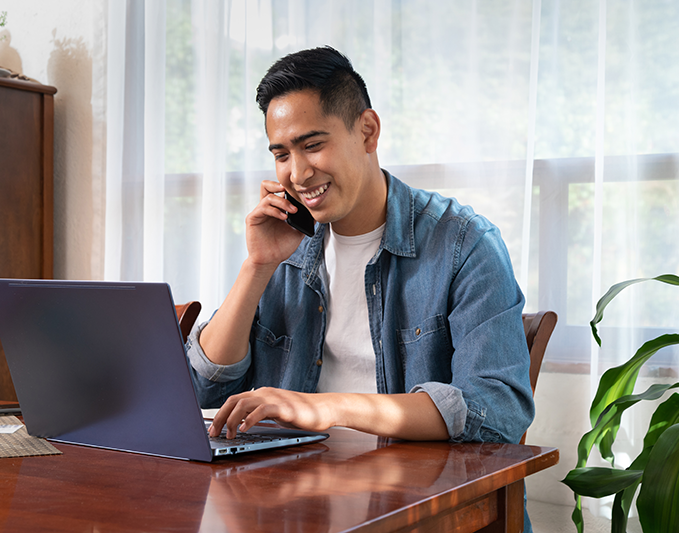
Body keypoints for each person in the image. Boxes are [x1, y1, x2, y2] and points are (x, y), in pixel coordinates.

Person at [185, 46, 534, 446]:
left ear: (368, 131)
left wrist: (328, 408)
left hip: (414, 494)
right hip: (290, 489)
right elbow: (201, 391)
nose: (298, 173)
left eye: (313, 145)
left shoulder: (464, 244)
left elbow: (496, 409)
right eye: (282, 154)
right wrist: (258, 265)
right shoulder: (287, 244)